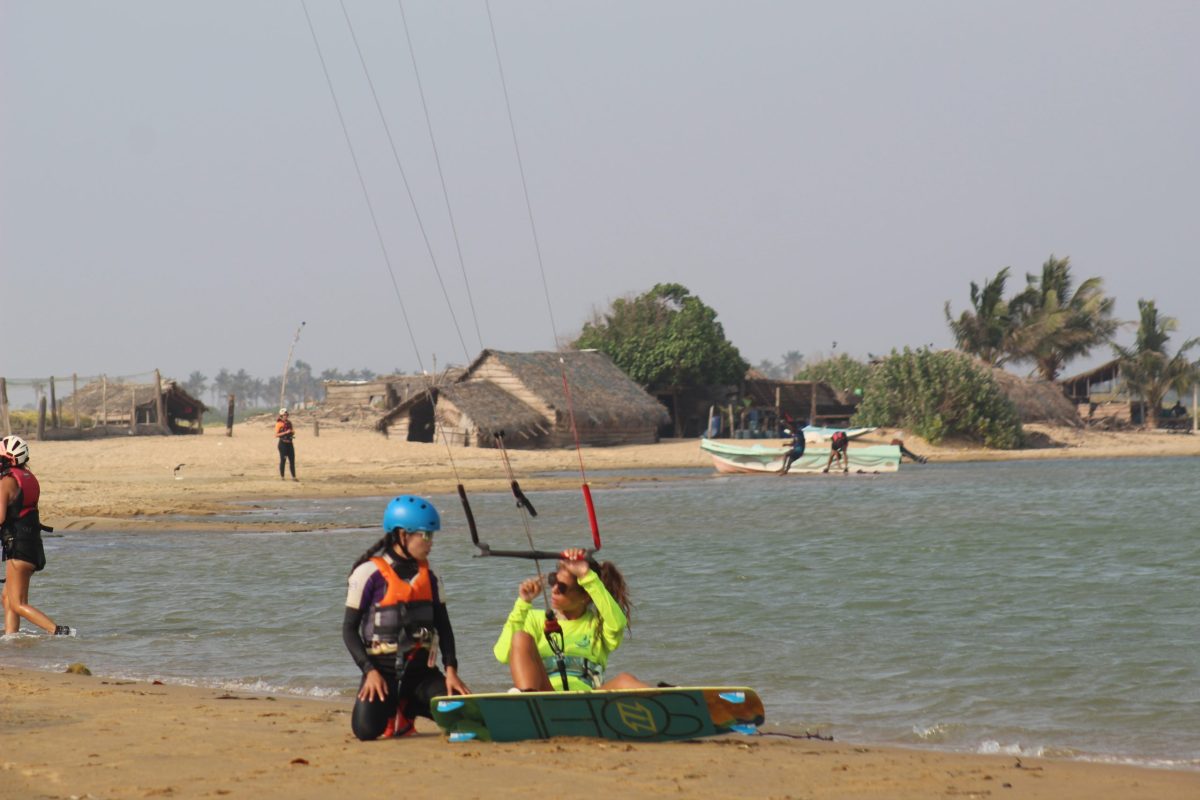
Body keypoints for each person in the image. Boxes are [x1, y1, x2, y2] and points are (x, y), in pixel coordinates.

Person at [343, 495, 469, 740]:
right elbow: (349, 629)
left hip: (421, 673)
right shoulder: (368, 573)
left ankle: (410, 708)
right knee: (365, 731)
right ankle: (393, 708)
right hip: (382, 673)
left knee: (464, 715)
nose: (430, 542)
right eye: (426, 535)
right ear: (403, 535)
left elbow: (443, 625)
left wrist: (451, 670)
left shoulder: (431, 574)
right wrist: (369, 671)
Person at [494, 547, 648, 692]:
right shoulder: (534, 619)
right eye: (553, 581)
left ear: (585, 597)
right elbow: (502, 655)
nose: (554, 590)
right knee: (521, 637)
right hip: (545, 694)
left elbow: (618, 623)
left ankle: (668, 699)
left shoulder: (597, 625)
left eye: (562, 588)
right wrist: (523, 603)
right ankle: (528, 701)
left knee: (625, 679)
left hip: (587, 698)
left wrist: (586, 575)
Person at [1, 435, 74, 637]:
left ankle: (60, 631)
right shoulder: (28, 477)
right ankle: (11, 638)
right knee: (7, 597)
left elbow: (0, 517)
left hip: (19, 547)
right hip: (32, 545)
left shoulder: (7, 481)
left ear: (9, 459)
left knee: (17, 603)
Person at [274, 408, 297, 481]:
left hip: (290, 444)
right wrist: (285, 433)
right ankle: (282, 477)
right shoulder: (278, 424)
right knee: (283, 460)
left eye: (287, 415)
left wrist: (292, 432)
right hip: (282, 444)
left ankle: (294, 477)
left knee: (292, 461)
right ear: (281, 416)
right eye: (284, 415)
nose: (286, 416)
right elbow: (276, 435)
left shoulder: (289, 423)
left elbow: (293, 431)